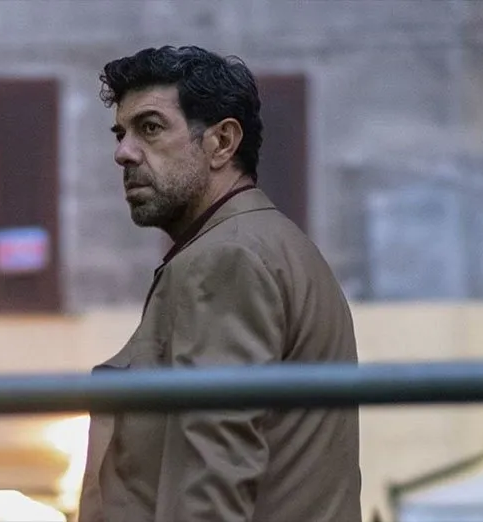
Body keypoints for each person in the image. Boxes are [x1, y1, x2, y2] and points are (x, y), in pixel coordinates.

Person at [78, 46, 361, 522]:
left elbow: (211, 480)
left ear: (222, 142)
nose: (123, 152)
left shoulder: (228, 257)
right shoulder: (268, 245)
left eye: (150, 128)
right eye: (121, 133)